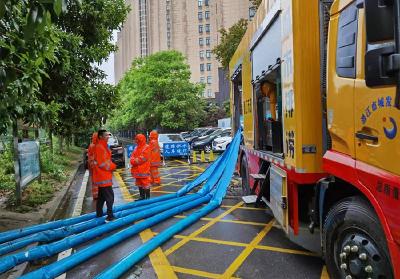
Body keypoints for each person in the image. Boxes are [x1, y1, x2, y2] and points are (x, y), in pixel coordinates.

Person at [93, 129, 116, 221]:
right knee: (110, 197)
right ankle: (110, 216)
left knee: (101, 198)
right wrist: (113, 166)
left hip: (103, 176)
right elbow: (102, 163)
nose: (108, 137)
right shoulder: (100, 147)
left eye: (108, 135)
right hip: (103, 176)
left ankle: (99, 214)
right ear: (100, 137)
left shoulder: (103, 146)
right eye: (106, 135)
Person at [130, 134, 151, 200]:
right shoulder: (136, 148)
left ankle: (147, 198)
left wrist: (134, 161)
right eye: (135, 139)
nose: (136, 141)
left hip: (144, 170)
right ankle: (142, 197)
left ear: (140, 140)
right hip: (137, 171)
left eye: (137, 139)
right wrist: (133, 160)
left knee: (145, 184)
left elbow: (142, 159)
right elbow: (132, 156)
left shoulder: (146, 147)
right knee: (139, 183)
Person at [87, 132, 98, 199]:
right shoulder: (96, 146)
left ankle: (95, 195)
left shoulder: (91, 145)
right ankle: (98, 194)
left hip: (92, 166)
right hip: (96, 166)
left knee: (94, 181)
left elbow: (89, 156)